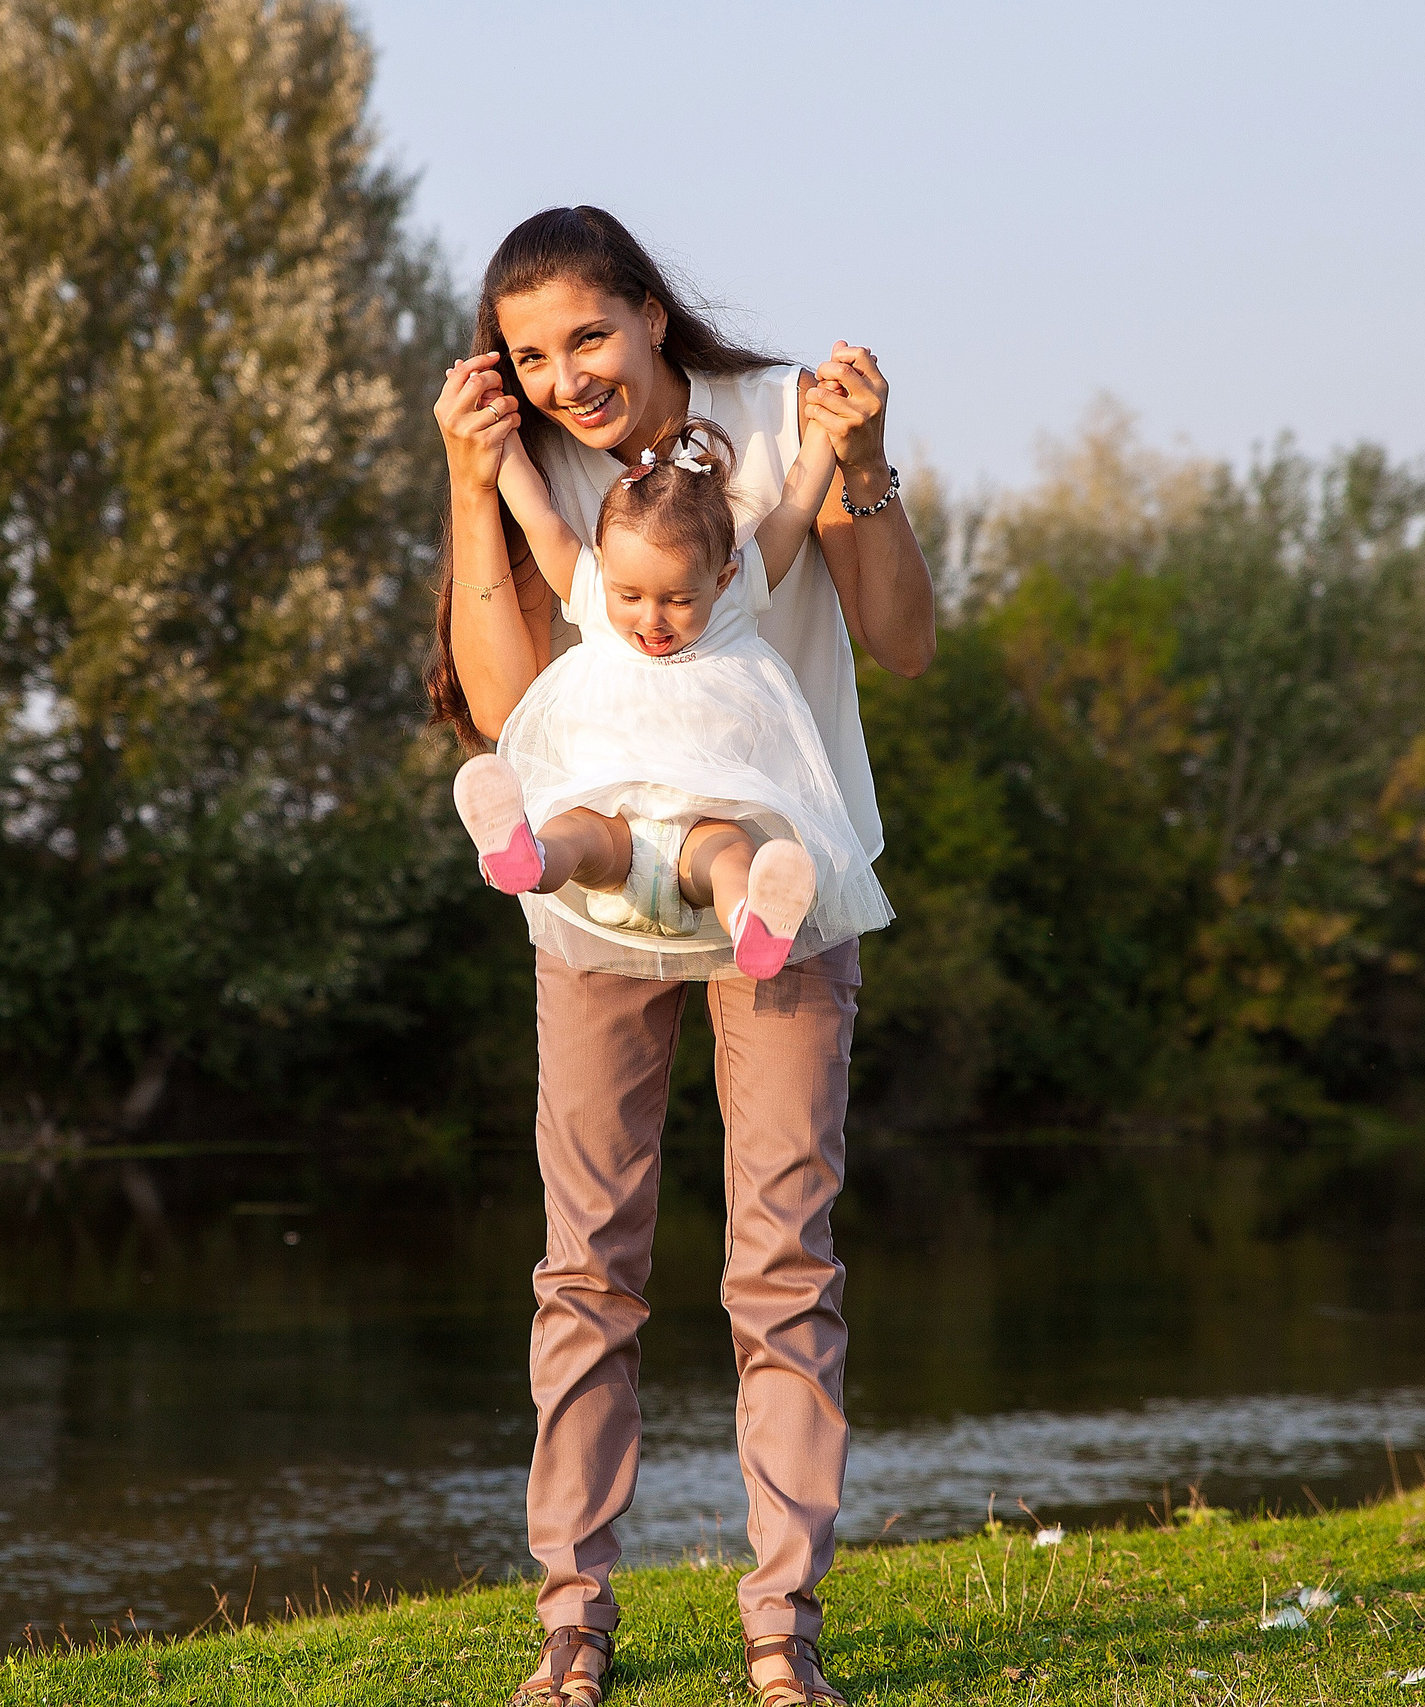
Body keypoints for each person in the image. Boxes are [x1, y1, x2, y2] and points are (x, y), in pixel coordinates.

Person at [427, 206, 934, 1707]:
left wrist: (864, 468)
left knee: (782, 1265)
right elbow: (511, 700)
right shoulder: (540, 468)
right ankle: (571, 1624)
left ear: (651, 312)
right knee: (585, 1266)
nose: (565, 374)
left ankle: (783, 1629)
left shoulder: (787, 426)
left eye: (588, 332)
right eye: (530, 353)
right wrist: (474, 486)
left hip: (776, 901)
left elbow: (901, 643)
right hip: (593, 916)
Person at [451, 414, 891, 981]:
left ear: (723, 578)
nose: (650, 620)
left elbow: (795, 506)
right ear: (604, 569)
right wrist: (501, 439)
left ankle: (750, 919)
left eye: (678, 600)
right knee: (573, 831)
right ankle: (524, 858)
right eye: (629, 594)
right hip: (612, 819)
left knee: (732, 856)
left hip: (704, 826)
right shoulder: (590, 591)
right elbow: (536, 514)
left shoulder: (734, 601)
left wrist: (825, 432)